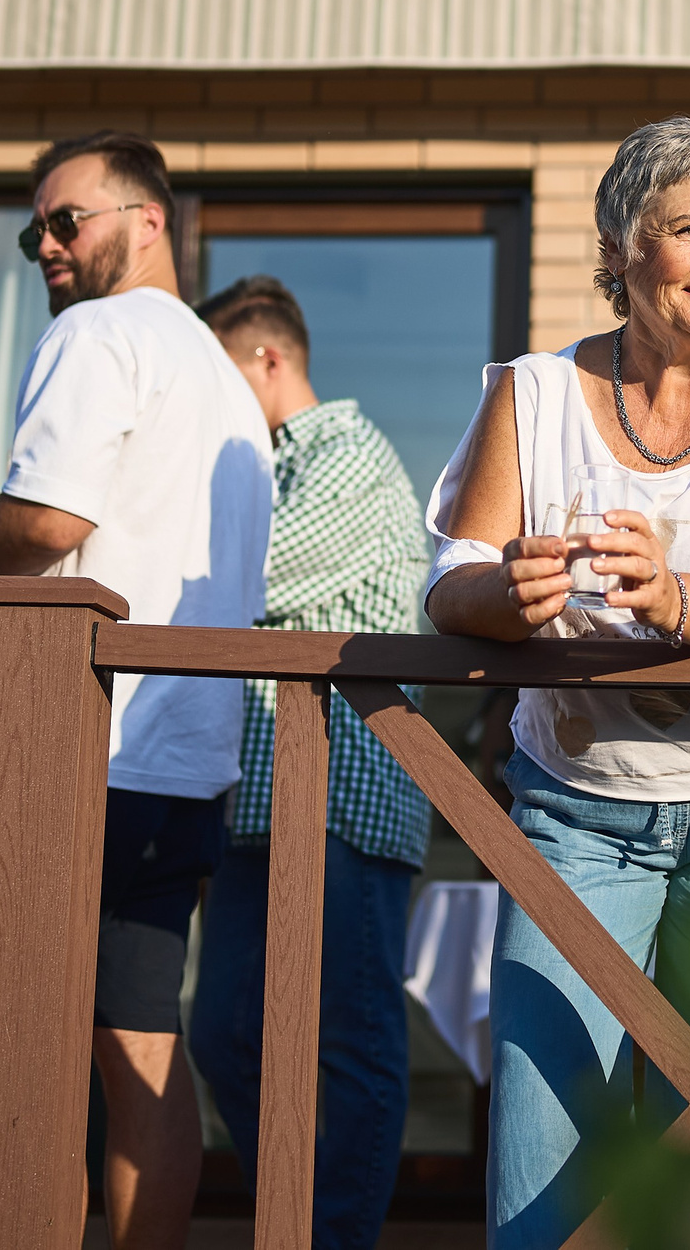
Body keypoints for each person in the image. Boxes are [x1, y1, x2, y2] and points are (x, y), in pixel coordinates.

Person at [425, 117, 690, 1250]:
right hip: (572, 821)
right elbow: (453, 578)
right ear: (621, 246)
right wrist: (507, 590)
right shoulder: (534, 391)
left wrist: (672, 599)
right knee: (541, 1161)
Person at [0, 132, 273, 1250]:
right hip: (183, 760)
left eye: (67, 221)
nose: (48, 246)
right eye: (36, 232)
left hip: (54, 748)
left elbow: (48, 520)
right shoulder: (230, 388)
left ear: (148, 220)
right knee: (137, 1059)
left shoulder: (96, 333)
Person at [188, 274, 431, 1250]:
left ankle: (331, 1237)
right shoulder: (262, 466)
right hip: (255, 804)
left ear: (268, 360)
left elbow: (251, 578)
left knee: (350, 1038)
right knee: (227, 1037)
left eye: (215, 379)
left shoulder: (348, 455)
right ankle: (301, 1221)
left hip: (343, 799)